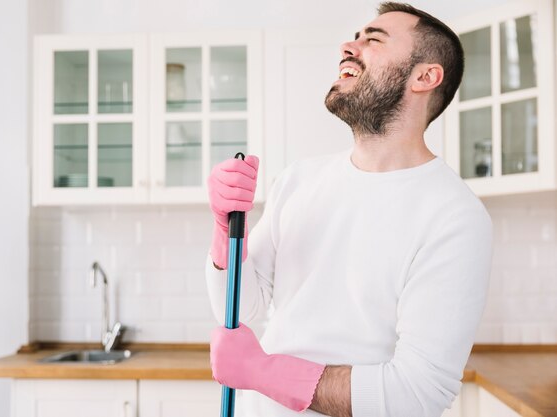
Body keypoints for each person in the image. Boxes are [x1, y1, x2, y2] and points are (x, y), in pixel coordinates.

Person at [205, 2, 493, 417]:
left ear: (425, 76)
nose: (347, 46)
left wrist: (263, 371)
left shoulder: (455, 217)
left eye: (372, 39)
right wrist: (224, 230)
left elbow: (417, 393)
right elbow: (244, 308)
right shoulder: (298, 180)